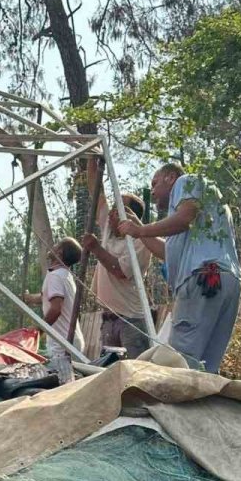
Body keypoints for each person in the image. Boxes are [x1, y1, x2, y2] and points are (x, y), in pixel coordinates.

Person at [116, 163, 241, 374]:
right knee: (206, 367)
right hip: (223, 280)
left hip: (203, 279)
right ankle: (204, 405)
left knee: (180, 362)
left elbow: (185, 218)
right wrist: (139, 230)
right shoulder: (200, 216)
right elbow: (167, 252)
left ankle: (175, 406)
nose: (153, 192)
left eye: (154, 184)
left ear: (171, 177)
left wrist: (141, 229)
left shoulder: (186, 182)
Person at [81, 156, 153, 359]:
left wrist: (95, 248)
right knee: (111, 372)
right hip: (109, 319)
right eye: (114, 208)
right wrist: (92, 159)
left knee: (136, 373)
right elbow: (97, 193)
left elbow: (121, 271)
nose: (112, 212)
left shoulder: (140, 241)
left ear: (129, 215)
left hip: (131, 321)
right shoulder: (108, 230)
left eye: (119, 209)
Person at [25, 237, 84, 383]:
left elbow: (56, 309)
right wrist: (28, 298)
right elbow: (46, 297)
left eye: (57, 245)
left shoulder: (55, 276)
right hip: (70, 341)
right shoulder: (65, 275)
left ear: (60, 252)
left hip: (62, 344)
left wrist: (38, 330)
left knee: (63, 388)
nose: (53, 246)